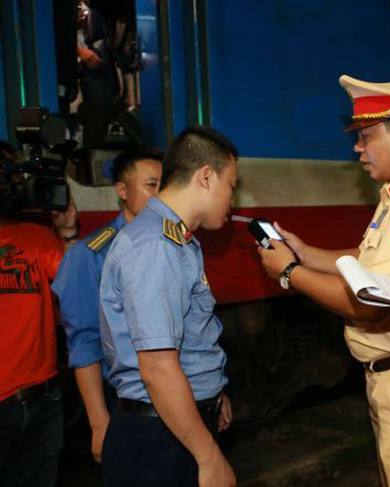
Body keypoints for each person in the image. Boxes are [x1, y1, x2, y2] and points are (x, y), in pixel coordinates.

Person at [258, 75, 390, 486]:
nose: (357, 148)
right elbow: (372, 263)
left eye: (365, 136)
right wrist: (307, 254)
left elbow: (367, 300)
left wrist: (290, 272)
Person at [99, 126, 237, 487]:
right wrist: (209, 457)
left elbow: (188, 335)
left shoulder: (176, 239)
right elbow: (158, 367)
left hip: (173, 423)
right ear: (206, 177)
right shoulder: (156, 246)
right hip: (159, 436)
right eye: (232, 186)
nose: (232, 199)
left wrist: (212, 391)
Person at [52, 147, 162, 463]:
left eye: (163, 185)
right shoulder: (89, 255)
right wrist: (99, 424)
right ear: (122, 191)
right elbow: (85, 343)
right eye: (151, 185)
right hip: (128, 403)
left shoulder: (171, 245)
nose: (159, 195)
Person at [0, 142, 78, 486]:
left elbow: (78, 291)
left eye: (14, 175)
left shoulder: (35, 237)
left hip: (44, 399)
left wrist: (67, 233)